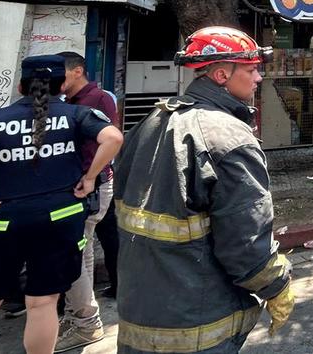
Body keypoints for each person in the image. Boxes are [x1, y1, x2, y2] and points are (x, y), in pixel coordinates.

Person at [0, 55, 124, 354]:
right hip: (60, 221)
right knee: (42, 303)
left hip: (0, 222)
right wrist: (91, 177)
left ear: (20, 85)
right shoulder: (77, 114)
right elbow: (113, 138)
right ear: (61, 85)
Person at [114, 27, 294, 354]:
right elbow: (245, 242)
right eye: (251, 69)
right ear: (223, 74)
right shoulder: (229, 139)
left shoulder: (153, 119)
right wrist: (276, 286)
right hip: (197, 321)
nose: (258, 78)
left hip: (140, 310)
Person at [54, 51, 119, 352]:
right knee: (84, 252)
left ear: (77, 71)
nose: (56, 81)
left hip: (89, 187)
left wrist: (91, 176)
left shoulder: (99, 100)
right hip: (79, 186)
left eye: (61, 74)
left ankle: (85, 322)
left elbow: (112, 141)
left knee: (76, 253)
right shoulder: (69, 103)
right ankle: (79, 314)